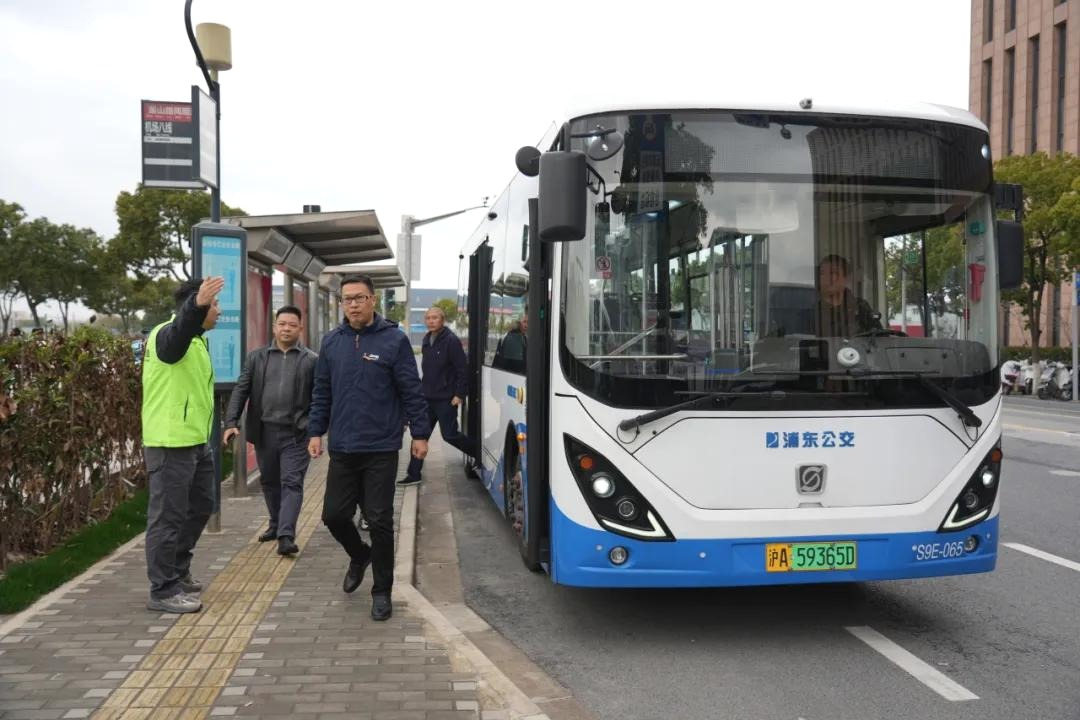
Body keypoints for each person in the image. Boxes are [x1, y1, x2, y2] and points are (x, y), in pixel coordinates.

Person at [307, 275, 431, 621]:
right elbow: (321, 392)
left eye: (359, 298)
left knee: (379, 520)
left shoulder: (394, 340)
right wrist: (316, 431)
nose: (353, 304)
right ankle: (359, 555)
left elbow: (411, 391)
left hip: (381, 447)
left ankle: (381, 591)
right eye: (347, 299)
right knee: (333, 515)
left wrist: (420, 435)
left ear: (373, 300)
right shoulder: (332, 342)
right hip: (343, 448)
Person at [141, 276, 224, 614]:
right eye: (214, 305)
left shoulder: (198, 342)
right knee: (168, 518)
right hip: (169, 442)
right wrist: (197, 305)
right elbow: (174, 343)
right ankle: (162, 590)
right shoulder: (168, 335)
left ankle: (177, 569)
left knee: (203, 505)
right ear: (197, 305)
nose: (218, 311)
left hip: (195, 441)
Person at [223, 306, 318, 557]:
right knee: (270, 482)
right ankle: (276, 525)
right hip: (264, 431)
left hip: (297, 434)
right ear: (274, 327)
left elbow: (320, 397)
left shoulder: (311, 360)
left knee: (291, 482)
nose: (286, 328)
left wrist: (315, 429)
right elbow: (241, 390)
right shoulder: (257, 357)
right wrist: (231, 422)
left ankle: (286, 535)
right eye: (282, 324)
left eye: (291, 324)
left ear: (300, 328)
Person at [399, 307, 477, 485]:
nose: (431, 321)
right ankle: (414, 474)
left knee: (449, 435)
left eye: (434, 318)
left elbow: (461, 370)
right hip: (427, 397)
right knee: (420, 436)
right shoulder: (427, 340)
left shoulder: (451, 341)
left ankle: (478, 453)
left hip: (446, 398)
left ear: (443, 320)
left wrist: (459, 394)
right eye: (428, 318)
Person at [815, 254, 882, 337]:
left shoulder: (861, 307)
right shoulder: (813, 310)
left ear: (846, 278)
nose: (827, 278)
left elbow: (880, 339)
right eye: (822, 273)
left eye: (833, 273)